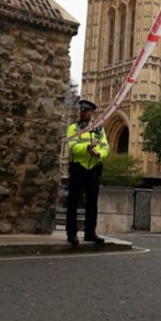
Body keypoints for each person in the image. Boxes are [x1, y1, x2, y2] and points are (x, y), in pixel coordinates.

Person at [65, 99, 109, 247]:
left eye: (86, 111)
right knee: (73, 201)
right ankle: (71, 233)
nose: (83, 113)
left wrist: (98, 154)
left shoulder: (99, 130)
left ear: (91, 113)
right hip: (79, 167)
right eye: (81, 111)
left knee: (92, 203)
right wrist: (87, 148)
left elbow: (105, 147)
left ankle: (90, 232)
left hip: (94, 168)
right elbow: (72, 146)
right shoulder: (74, 128)